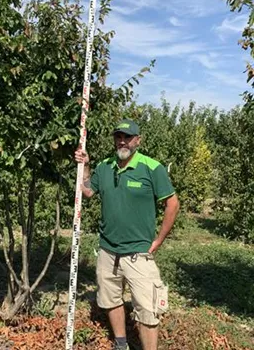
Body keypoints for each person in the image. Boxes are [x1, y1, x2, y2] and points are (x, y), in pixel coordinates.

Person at [74, 119, 179, 350]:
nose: (122, 141)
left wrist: (158, 241)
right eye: (118, 137)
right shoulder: (105, 166)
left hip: (139, 253)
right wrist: (86, 165)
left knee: (148, 310)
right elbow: (89, 190)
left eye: (128, 137)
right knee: (110, 299)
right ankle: (121, 343)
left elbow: (172, 204)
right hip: (108, 250)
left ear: (138, 140)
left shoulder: (152, 168)